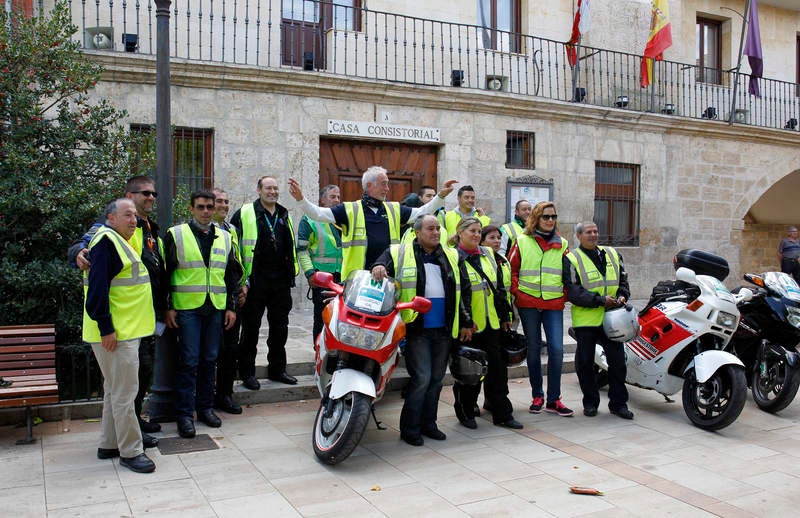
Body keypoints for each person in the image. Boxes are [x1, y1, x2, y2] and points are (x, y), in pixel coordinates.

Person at [67, 175, 165, 438]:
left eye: (153, 193)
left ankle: (133, 424)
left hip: (144, 316)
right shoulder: (109, 226)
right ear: (128, 195)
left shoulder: (149, 227)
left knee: (141, 374)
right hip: (123, 322)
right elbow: (83, 244)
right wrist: (77, 252)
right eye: (145, 193)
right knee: (125, 384)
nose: (151, 198)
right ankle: (130, 438)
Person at [371, 215, 472, 446]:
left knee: (436, 379)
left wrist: (466, 321)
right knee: (422, 378)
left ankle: (429, 424)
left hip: (444, 329)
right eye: (430, 228)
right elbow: (379, 264)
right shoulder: (399, 252)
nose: (436, 232)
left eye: (438, 229)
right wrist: (378, 266)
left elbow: (464, 290)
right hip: (416, 329)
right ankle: (410, 428)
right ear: (417, 232)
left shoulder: (451, 255)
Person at [83, 198, 156, 473]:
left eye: (134, 215)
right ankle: (131, 451)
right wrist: (107, 329)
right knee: (126, 393)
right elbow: (96, 294)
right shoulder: (106, 243)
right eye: (127, 215)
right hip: (116, 334)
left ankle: (109, 443)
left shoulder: (117, 240)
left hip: (122, 331)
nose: (133, 220)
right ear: (110, 218)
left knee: (114, 390)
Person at [287, 166, 457, 280]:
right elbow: (318, 213)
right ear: (369, 185)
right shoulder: (350, 210)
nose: (387, 188)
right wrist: (301, 200)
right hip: (356, 281)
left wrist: (440, 196)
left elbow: (422, 212)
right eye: (384, 184)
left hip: (389, 279)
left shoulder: (394, 209)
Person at [164, 191, 242, 438]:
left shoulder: (225, 237)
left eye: (209, 206)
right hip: (187, 308)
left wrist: (231, 306)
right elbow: (164, 274)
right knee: (189, 361)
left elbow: (232, 275)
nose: (206, 211)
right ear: (192, 208)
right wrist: (168, 306)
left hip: (215, 308)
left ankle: (205, 408)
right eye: (201, 207)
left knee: (210, 360)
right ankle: (184, 415)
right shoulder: (176, 235)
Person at [449, 217, 521, 430]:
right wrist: (465, 322)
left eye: (479, 231)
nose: (476, 235)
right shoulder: (454, 257)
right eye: (472, 231)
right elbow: (457, 294)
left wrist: (506, 316)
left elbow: (499, 290)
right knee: (471, 372)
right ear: (460, 232)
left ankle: (502, 414)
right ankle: (466, 409)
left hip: (493, 324)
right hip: (470, 328)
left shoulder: (488, 254)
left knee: (498, 371)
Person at [231, 176, 299, 388]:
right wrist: (241, 280)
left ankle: (278, 370)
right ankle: (247, 373)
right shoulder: (245, 213)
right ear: (258, 190)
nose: (273, 192)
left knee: (280, 329)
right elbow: (234, 245)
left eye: (276, 188)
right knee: (251, 329)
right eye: (268, 188)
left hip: (280, 281)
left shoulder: (283, 213)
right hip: (255, 281)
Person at [508, 201, 573, 417]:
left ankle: (554, 400)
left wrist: (564, 295)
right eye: (546, 217)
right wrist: (518, 293)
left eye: (553, 217)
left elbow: (567, 275)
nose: (550, 221)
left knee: (557, 349)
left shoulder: (562, 243)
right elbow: (512, 270)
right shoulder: (522, 240)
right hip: (528, 305)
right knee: (534, 350)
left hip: (553, 304)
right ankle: (538, 395)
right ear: (536, 218)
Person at [565, 221, 633, 419]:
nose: (593, 235)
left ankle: (619, 404)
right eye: (588, 232)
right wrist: (601, 301)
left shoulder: (612, 253)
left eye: (595, 231)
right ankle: (590, 403)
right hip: (587, 320)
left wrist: (622, 295)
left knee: (618, 363)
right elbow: (573, 292)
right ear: (579, 236)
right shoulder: (572, 259)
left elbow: (623, 281)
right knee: (585, 363)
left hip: (613, 319)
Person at [211, 187, 248, 415]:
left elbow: (239, 261)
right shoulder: (201, 229)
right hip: (212, 301)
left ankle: (225, 395)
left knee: (230, 351)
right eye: (218, 201)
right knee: (211, 353)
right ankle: (206, 398)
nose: (223, 205)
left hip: (233, 299)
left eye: (226, 201)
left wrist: (245, 285)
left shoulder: (232, 229)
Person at [296, 184, 342, 347]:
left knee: (341, 320)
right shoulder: (309, 219)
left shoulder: (343, 220)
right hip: (321, 278)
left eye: (338, 197)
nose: (337, 200)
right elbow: (301, 250)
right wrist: (310, 274)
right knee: (322, 318)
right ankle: (319, 352)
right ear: (322, 200)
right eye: (332, 197)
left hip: (343, 278)